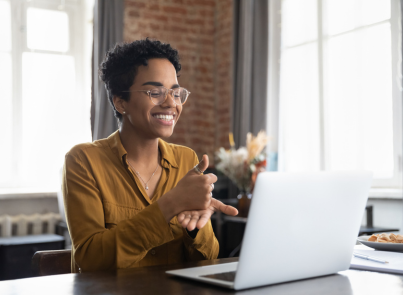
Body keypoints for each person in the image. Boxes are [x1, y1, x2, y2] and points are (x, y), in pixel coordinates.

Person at [62, 39, 238, 273]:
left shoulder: (187, 161)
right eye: (155, 92)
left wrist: (195, 229)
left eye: (176, 93)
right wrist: (169, 205)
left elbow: (208, 258)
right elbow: (91, 259)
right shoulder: (83, 161)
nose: (170, 103)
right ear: (120, 101)